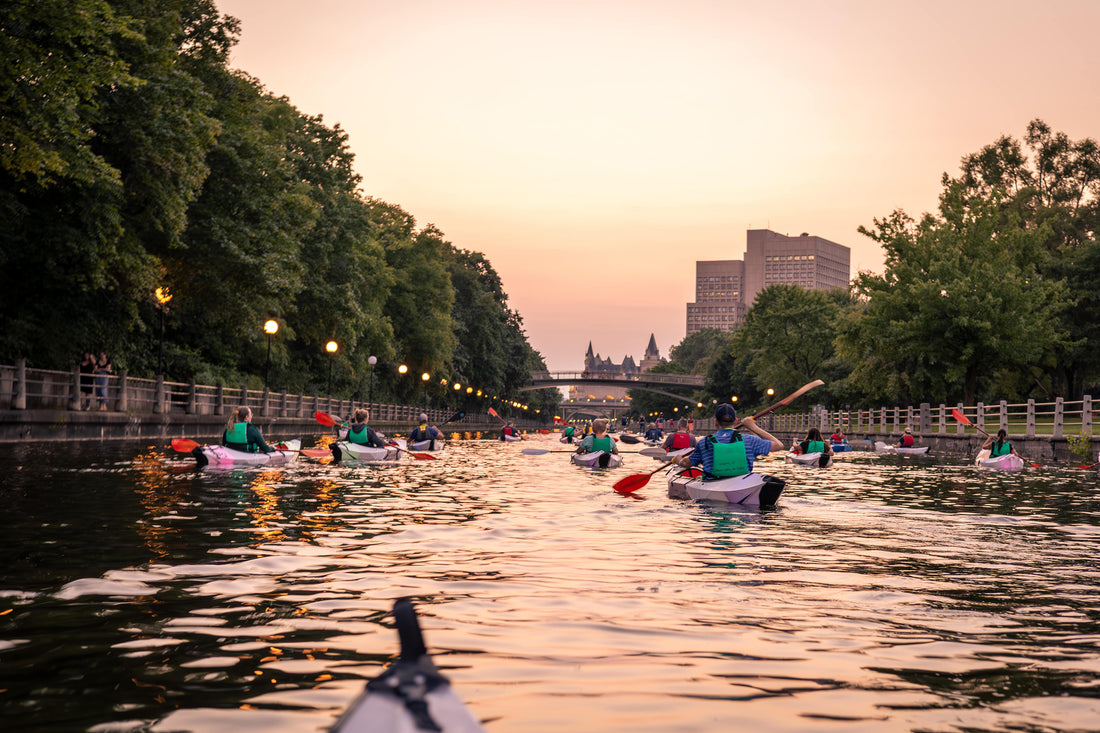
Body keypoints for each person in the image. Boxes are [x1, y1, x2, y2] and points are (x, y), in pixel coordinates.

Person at [677, 403, 784, 478]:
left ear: (715, 422)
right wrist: (753, 427)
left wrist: (679, 460)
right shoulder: (750, 440)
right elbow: (779, 445)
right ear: (736, 420)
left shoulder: (705, 442)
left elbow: (687, 463)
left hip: (713, 489)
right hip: (741, 486)